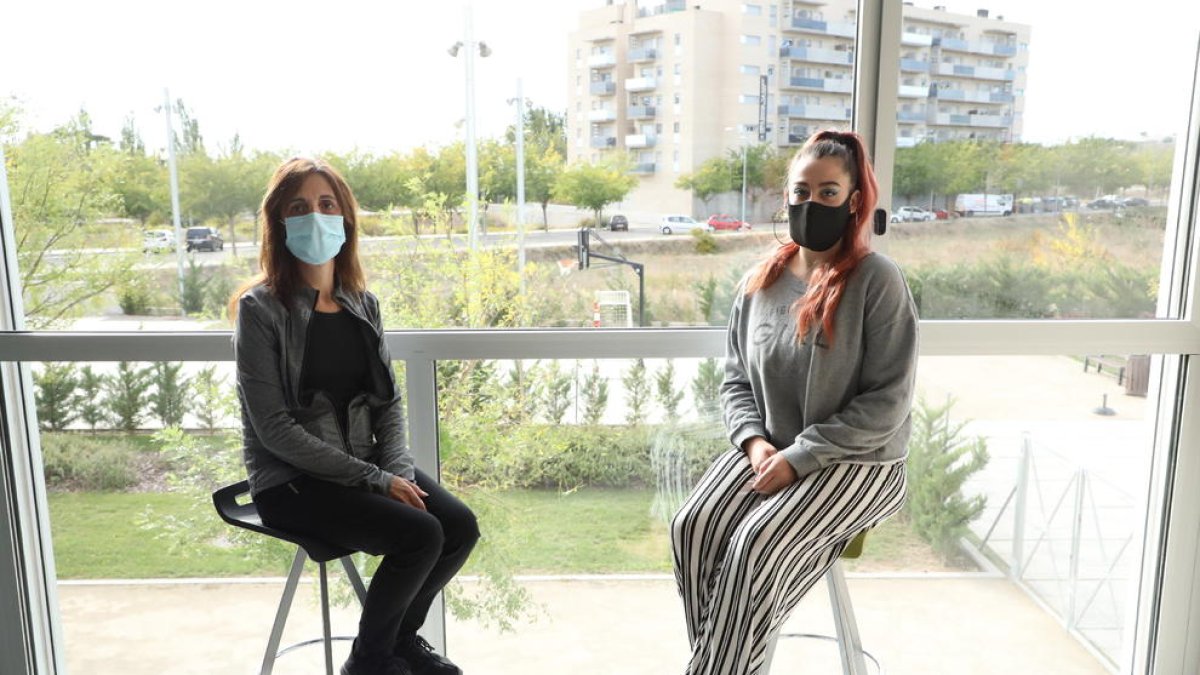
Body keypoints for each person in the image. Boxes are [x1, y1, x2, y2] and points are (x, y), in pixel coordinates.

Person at [670, 130, 918, 675]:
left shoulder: (877, 280)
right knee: (692, 528)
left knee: (754, 547)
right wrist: (755, 443)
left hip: (861, 462)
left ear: (855, 200)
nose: (811, 204)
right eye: (800, 191)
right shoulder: (761, 281)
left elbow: (889, 402)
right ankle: (725, 666)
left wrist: (799, 457)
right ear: (785, 196)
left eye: (828, 192)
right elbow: (735, 378)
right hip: (769, 451)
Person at [229, 157, 478, 675]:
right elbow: (274, 429)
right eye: (299, 207)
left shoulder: (363, 304)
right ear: (279, 221)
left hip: (362, 468)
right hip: (291, 482)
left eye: (326, 204)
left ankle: (398, 642)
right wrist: (376, 480)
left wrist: (399, 476)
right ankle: (369, 663)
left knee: (457, 526)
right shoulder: (259, 310)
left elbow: (387, 404)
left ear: (345, 219)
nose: (315, 215)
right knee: (421, 534)